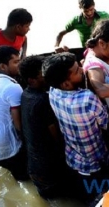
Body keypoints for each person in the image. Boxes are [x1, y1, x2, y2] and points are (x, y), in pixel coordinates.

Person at [43, 52, 109, 203]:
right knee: (105, 197)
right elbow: (105, 122)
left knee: (90, 197)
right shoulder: (87, 98)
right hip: (96, 162)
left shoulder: (53, 91)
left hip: (74, 159)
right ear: (66, 84)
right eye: (76, 71)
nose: (82, 70)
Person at [19, 55, 70, 199]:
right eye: (42, 75)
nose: (46, 77)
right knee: (61, 196)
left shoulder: (25, 94)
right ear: (31, 80)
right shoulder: (43, 100)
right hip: (48, 167)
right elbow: (55, 134)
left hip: (34, 165)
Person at [0, 45, 29, 181]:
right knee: (25, 179)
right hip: (8, 150)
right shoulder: (12, 87)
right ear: (3, 66)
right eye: (16, 62)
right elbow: (19, 124)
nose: (19, 65)